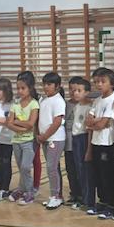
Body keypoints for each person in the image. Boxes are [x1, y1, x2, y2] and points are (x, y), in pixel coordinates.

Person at [85, 68, 114, 218]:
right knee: (98, 175)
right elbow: (87, 123)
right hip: (96, 142)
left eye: (102, 81)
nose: (99, 84)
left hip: (108, 143)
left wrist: (95, 123)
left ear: (111, 83)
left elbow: (100, 125)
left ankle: (113, 205)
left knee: (108, 176)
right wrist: (97, 121)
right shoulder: (97, 101)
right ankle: (102, 202)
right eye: (96, 82)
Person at [6, 71, 40, 205]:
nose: (20, 91)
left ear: (30, 88)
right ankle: (21, 190)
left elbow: (31, 123)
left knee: (26, 167)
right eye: (18, 88)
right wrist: (21, 127)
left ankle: (30, 193)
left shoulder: (34, 104)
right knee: (21, 167)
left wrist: (16, 122)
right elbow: (9, 123)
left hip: (29, 141)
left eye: (23, 88)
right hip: (16, 141)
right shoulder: (15, 105)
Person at [37, 72, 66, 209]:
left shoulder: (58, 101)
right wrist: (39, 135)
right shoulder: (44, 100)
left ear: (57, 86)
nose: (46, 87)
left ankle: (56, 196)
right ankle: (57, 194)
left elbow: (57, 122)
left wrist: (44, 136)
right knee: (53, 167)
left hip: (55, 138)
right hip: (46, 139)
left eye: (49, 84)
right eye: (44, 84)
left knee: (51, 167)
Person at [70, 77, 95, 211]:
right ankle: (83, 197)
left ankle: (88, 200)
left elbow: (90, 130)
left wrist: (88, 149)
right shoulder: (76, 107)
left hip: (84, 139)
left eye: (79, 91)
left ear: (87, 92)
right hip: (75, 139)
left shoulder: (89, 109)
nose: (75, 93)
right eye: (74, 90)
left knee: (86, 171)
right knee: (79, 170)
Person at [63, 76, 83, 206]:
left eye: (77, 90)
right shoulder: (65, 105)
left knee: (80, 171)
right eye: (71, 89)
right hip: (68, 144)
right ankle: (74, 194)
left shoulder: (87, 105)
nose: (74, 92)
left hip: (80, 144)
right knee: (71, 171)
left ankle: (82, 195)